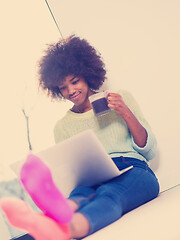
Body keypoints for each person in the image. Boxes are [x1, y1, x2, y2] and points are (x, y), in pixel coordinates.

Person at [0, 35, 159, 240]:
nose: (70, 91)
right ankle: (55, 216)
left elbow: (150, 150)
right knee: (80, 193)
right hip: (91, 180)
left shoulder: (120, 98)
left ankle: (69, 227)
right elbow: (71, 174)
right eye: (63, 87)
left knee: (110, 195)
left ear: (87, 74)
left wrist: (125, 112)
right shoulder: (62, 126)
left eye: (74, 82)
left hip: (133, 169)